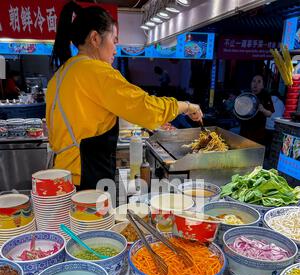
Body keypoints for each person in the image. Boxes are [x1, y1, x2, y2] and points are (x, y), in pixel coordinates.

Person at [46, 1, 203, 190]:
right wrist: (187, 106)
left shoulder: (61, 74)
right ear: (95, 38)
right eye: (114, 39)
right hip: (85, 178)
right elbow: (147, 109)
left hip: (62, 176)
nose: (116, 47)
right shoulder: (97, 71)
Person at [239, 75, 274, 145]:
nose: (255, 84)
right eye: (253, 81)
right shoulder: (246, 94)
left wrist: (263, 109)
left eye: (259, 82)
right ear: (251, 83)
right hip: (244, 131)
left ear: (262, 86)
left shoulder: (265, 96)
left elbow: (269, 114)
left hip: (257, 134)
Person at [265, 91, 285, 158]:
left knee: (266, 143)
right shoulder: (281, 103)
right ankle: (270, 157)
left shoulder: (267, 101)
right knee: (272, 144)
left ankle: (264, 156)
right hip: (276, 127)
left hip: (267, 126)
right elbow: (283, 113)